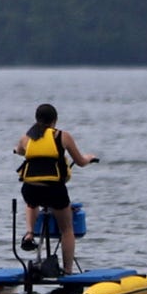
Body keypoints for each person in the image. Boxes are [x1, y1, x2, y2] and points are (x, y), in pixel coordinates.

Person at [12, 102, 98, 273]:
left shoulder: (26, 138)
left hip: (31, 189)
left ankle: (29, 233)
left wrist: (17, 150)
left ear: (36, 119)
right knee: (67, 229)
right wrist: (89, 158)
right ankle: (67, 271)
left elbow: (20, 151)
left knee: (31, 203)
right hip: (54, 190)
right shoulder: (63, 137)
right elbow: (80, 162)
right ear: (54, 121)